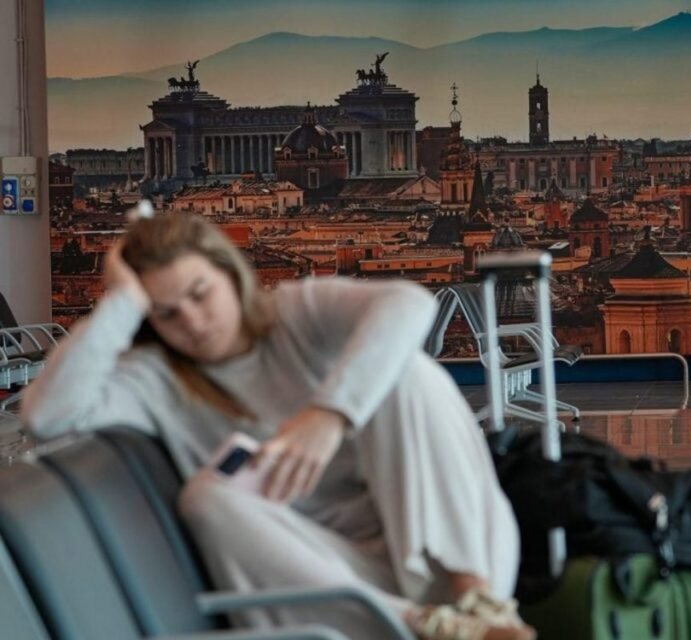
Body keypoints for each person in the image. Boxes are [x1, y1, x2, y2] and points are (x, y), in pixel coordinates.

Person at [21, 211, 534, 640]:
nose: (193, 323)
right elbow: (46, 415)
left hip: (439, 546)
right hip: (342, 585)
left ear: (230, 273)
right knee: (206, 499)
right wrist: (121, 303)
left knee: (408, 373)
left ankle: (477, 600)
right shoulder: (152, 380)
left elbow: (409, 304)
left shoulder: (295, 311)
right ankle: (434, 627)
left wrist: (328, 415)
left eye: (200, 293)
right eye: (166, 313)